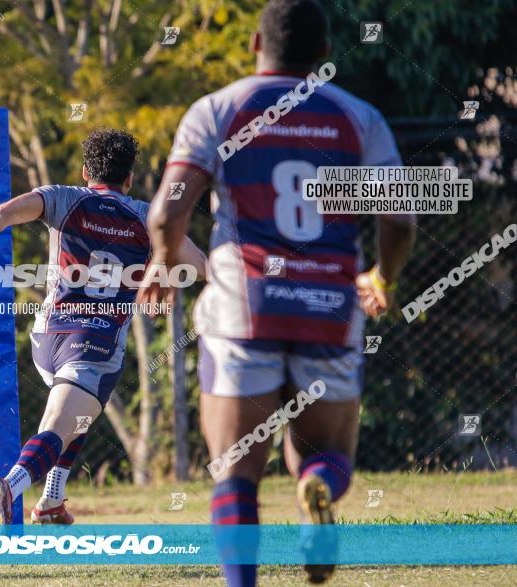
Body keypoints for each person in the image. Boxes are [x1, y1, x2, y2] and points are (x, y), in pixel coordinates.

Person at [140, 0, 415, 584]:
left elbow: (166, 215)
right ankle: (317, 488)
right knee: (323, 454)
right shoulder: (357, 116)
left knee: (235, 473)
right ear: (323, 55)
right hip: (329, 307)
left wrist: (164, 265)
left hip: (246, 307)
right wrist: (382, 279)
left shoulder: (218, 109)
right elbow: (399, 221)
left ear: (253, 48)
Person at [0, 128, 206, 525]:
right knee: (61, 421)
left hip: (46, 339)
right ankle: (9, 488)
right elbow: (201, 266)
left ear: (86, 172)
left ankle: (52, 499)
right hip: (94, 344)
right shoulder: (148, 219)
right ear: (129, 178)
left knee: (76, 413)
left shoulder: (61, 199)